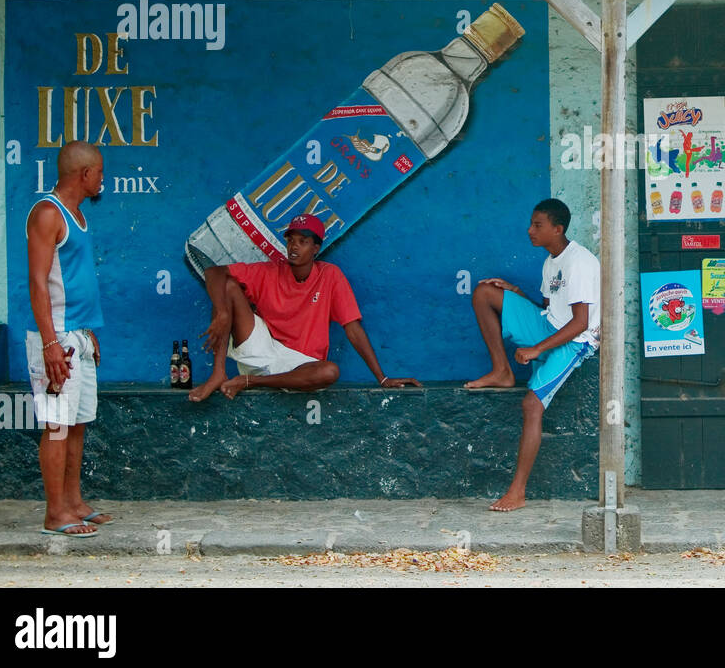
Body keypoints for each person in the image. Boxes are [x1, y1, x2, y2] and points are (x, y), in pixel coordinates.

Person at [188, 214, 419, 401]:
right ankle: (218, 373)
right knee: (227, 286)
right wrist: (222, 311)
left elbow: (353, 328)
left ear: (316, 248)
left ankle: (249, 382)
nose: (294, 247)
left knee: (329, 372)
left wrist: (382, 378)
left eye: (303, 241)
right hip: (261, 351)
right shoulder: (270, 271)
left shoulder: (330, 276)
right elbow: (214, 272)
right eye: (291, 240)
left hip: (299, 367)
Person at [466, 198, 600, 511]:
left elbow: (580, 323)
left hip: (575, 341)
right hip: (550, 326)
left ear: (558, 228)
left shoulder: (578, 262)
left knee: (532, 404)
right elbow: (547, 311)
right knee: (485, 293)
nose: (530, 231)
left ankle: (518, 492)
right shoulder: (551, 260)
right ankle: (501, 371)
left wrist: (537, 349)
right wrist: (515, 294)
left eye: (537, 225)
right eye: (531, 224)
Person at [26, 140, 112, 537]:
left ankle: (73, 502)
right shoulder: (48, 213)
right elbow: (39, 283)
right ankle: (54, 513)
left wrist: (87, 333)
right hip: (56, 337)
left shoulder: (77, 214)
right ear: (84, 174)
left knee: (76, 423)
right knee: (57, 426)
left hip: (77, 334)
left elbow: (74, 279)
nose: (102, 180)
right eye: (99, 173)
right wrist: (50, 344)